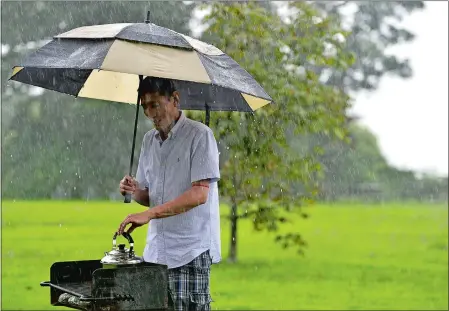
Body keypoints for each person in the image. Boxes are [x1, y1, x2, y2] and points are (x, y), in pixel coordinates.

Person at [117, 76, 221, 311]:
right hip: (155, 253)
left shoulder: (200, 136)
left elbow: (199, 194)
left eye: (155, 104)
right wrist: (133, 191)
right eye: (144, 106)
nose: (150, 113)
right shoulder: (148, 141)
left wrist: (151, 214)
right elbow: (149, 196)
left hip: (189, 252)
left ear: (174, 99)